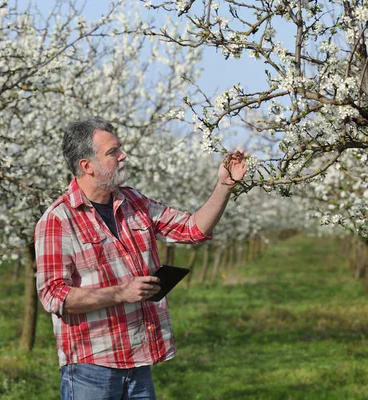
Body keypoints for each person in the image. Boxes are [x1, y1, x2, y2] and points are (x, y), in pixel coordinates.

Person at [34, 116, 247, 400]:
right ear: (87, 166)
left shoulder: (134, 202)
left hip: (138, 360)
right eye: (112, 152)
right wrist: (121, 293)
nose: (124, 156)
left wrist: (224, 185)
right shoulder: (58, 220)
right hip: (91, 366)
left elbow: (192, 228)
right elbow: (53, 295)